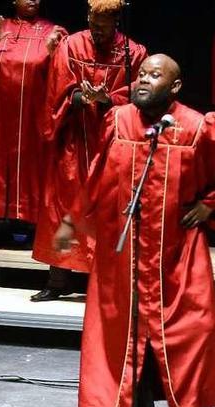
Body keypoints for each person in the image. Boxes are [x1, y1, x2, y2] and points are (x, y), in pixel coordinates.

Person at [53, 54, 215, 407]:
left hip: (178, 256)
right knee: (129, 341)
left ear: (174, 87)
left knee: (191, 338)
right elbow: (97, 173)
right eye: (141, 74)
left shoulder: (198, 126)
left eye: (155, 76)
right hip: (124, 256)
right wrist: (73, 220)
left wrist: (211, 204)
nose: (143, 81)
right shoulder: (119, 120)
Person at [30, 0, 147, 302]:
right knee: (63, 205)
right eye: (94, 26)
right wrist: (82, 97)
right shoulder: (71, 45)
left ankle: (106, 282)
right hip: (74, 139)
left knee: (108, 210)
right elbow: (58, 87)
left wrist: (107, 99)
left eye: (104, 28)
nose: (98, 33)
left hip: (112, 142)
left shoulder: (134, 52)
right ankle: (58, 280)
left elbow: (139, 95)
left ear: (117, 22)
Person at [0, 0, 66, 249]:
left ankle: (34, 225)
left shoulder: (53, 31)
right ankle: (1, 226)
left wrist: (54, 51)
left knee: (33, 165)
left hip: (34, 114)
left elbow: (65, 69)